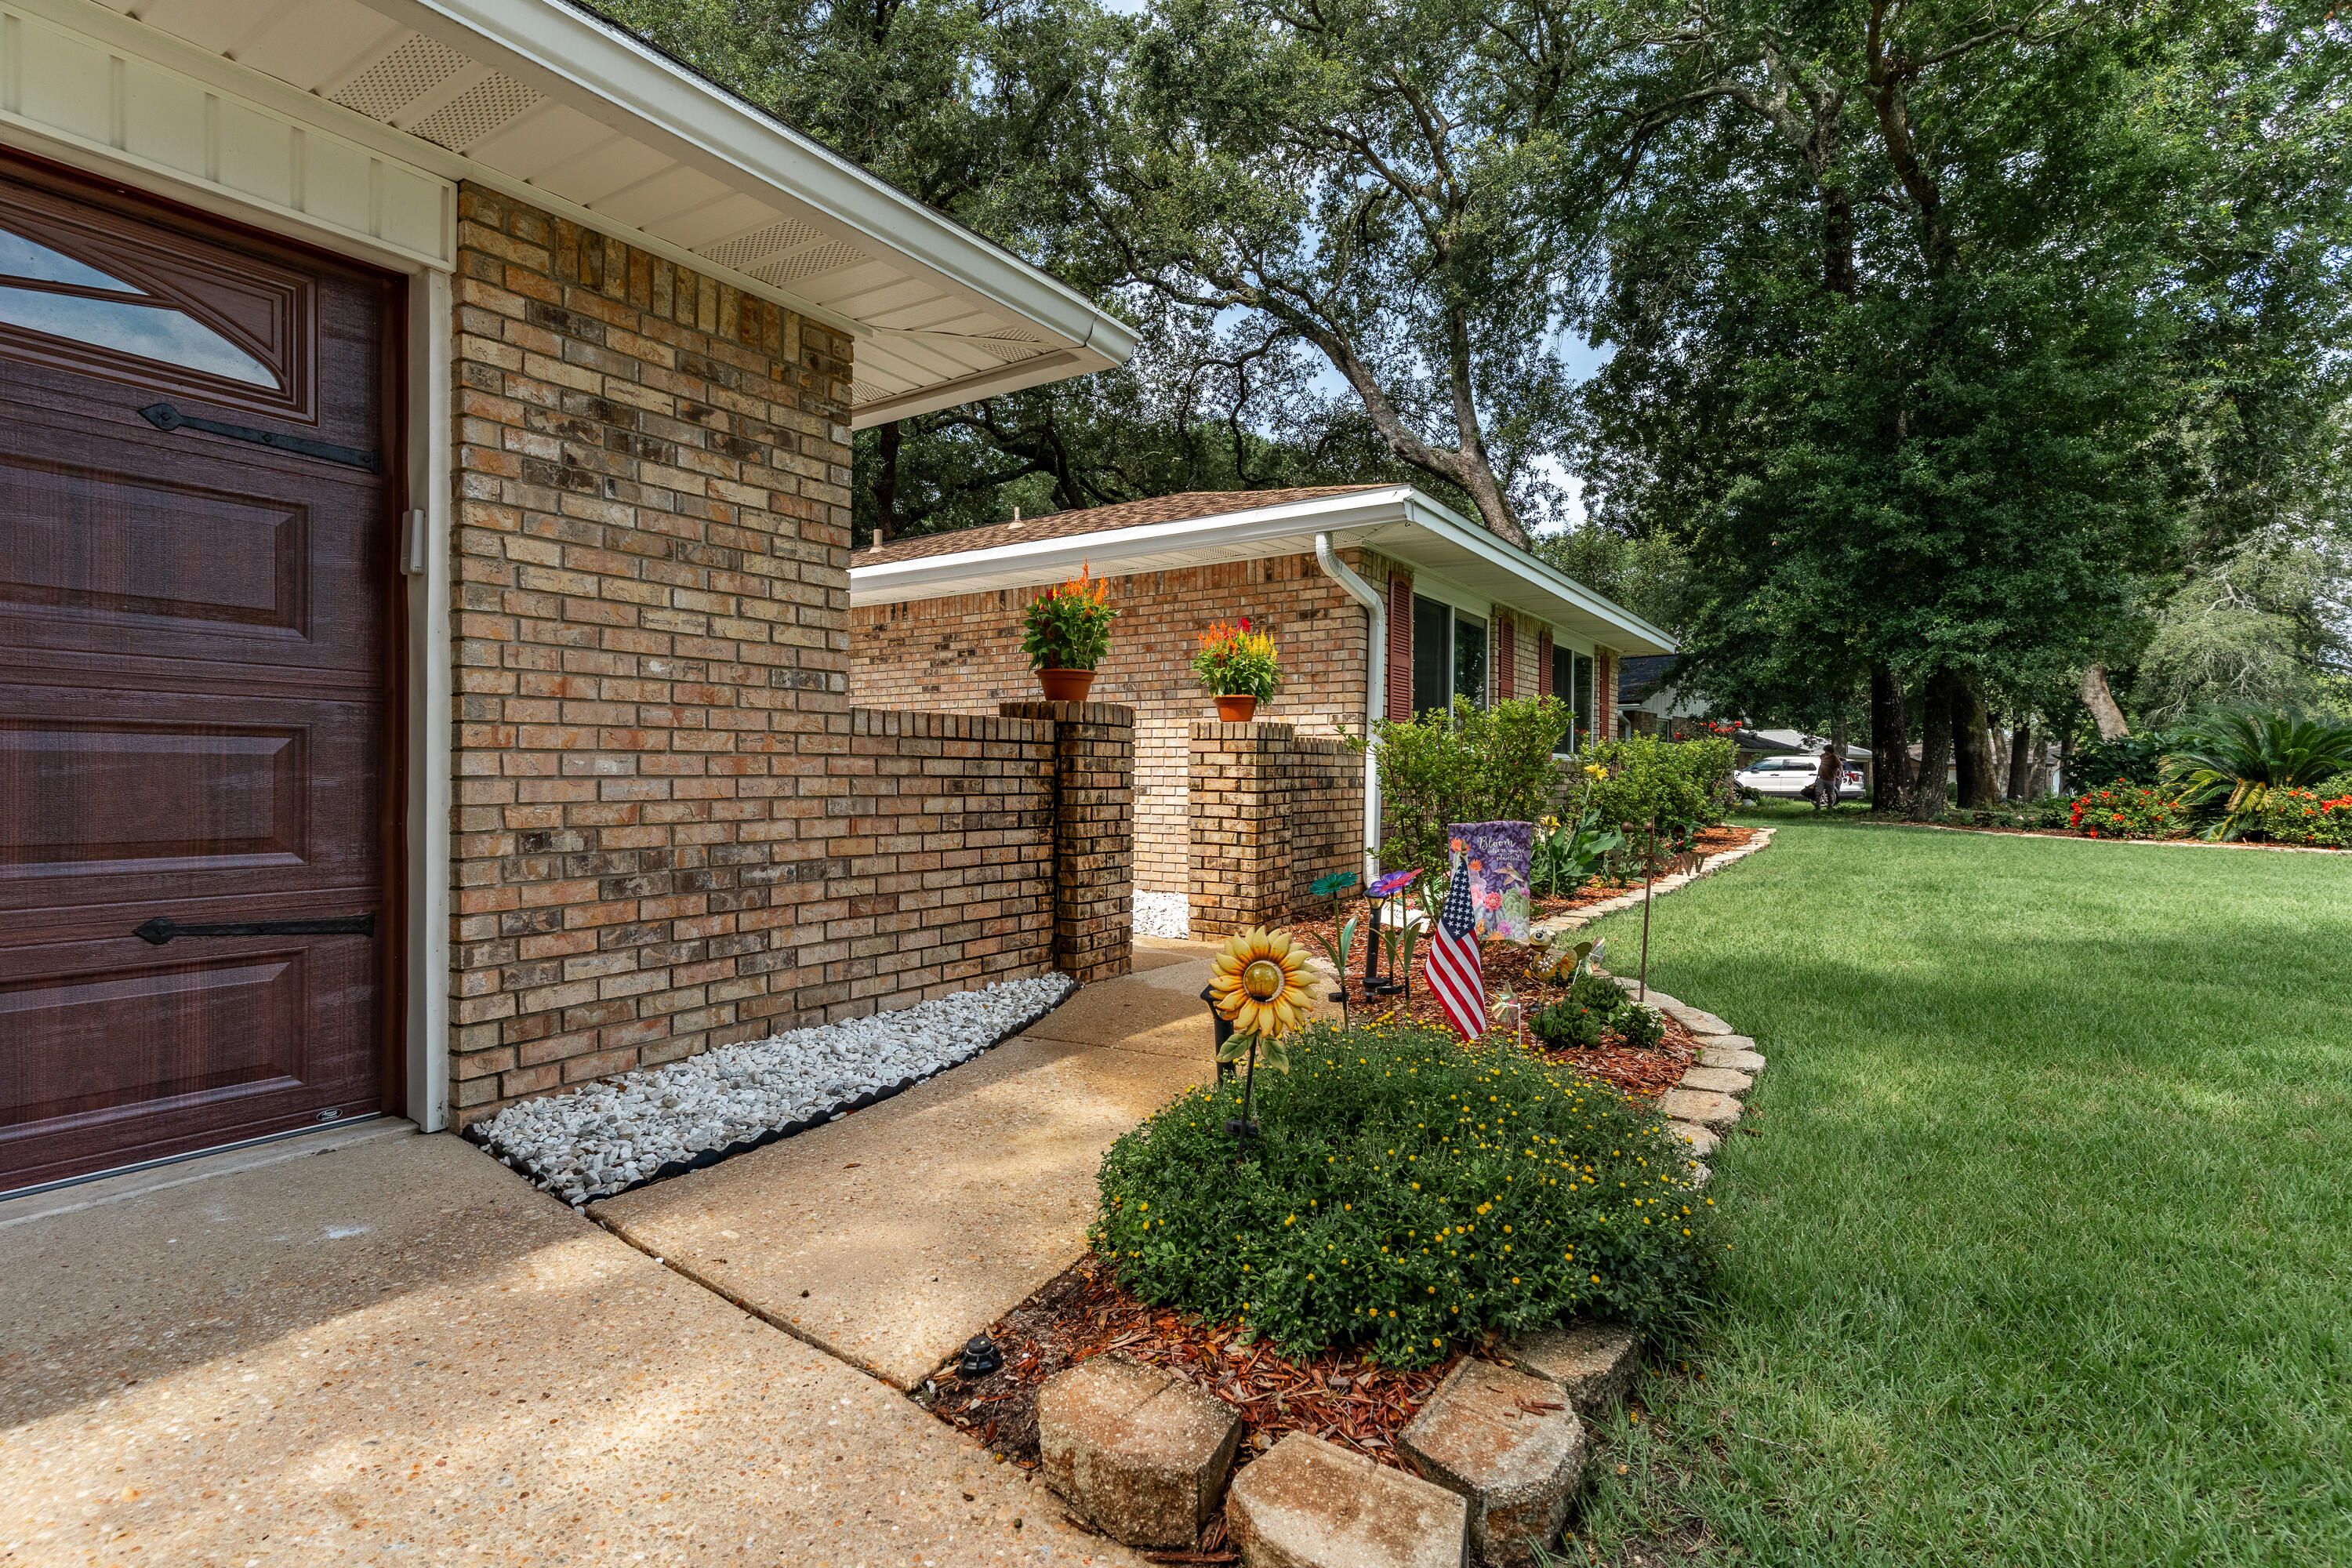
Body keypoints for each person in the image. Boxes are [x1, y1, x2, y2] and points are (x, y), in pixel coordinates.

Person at [1812, 743, 1843, 812]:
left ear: (1830, 751)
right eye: (1824, 751)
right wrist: (1818, 776)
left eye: (1826, 751)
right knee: (1818, 792)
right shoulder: (1823, 756)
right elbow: (1821, 766)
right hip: (1821, 778)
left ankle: (1830, 807)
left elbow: (1840, 766)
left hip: (1830, 779)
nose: (1825, 752)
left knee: (1831, 794)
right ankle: (1817, 807)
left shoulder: (1834, 758)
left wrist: (1839, 775)